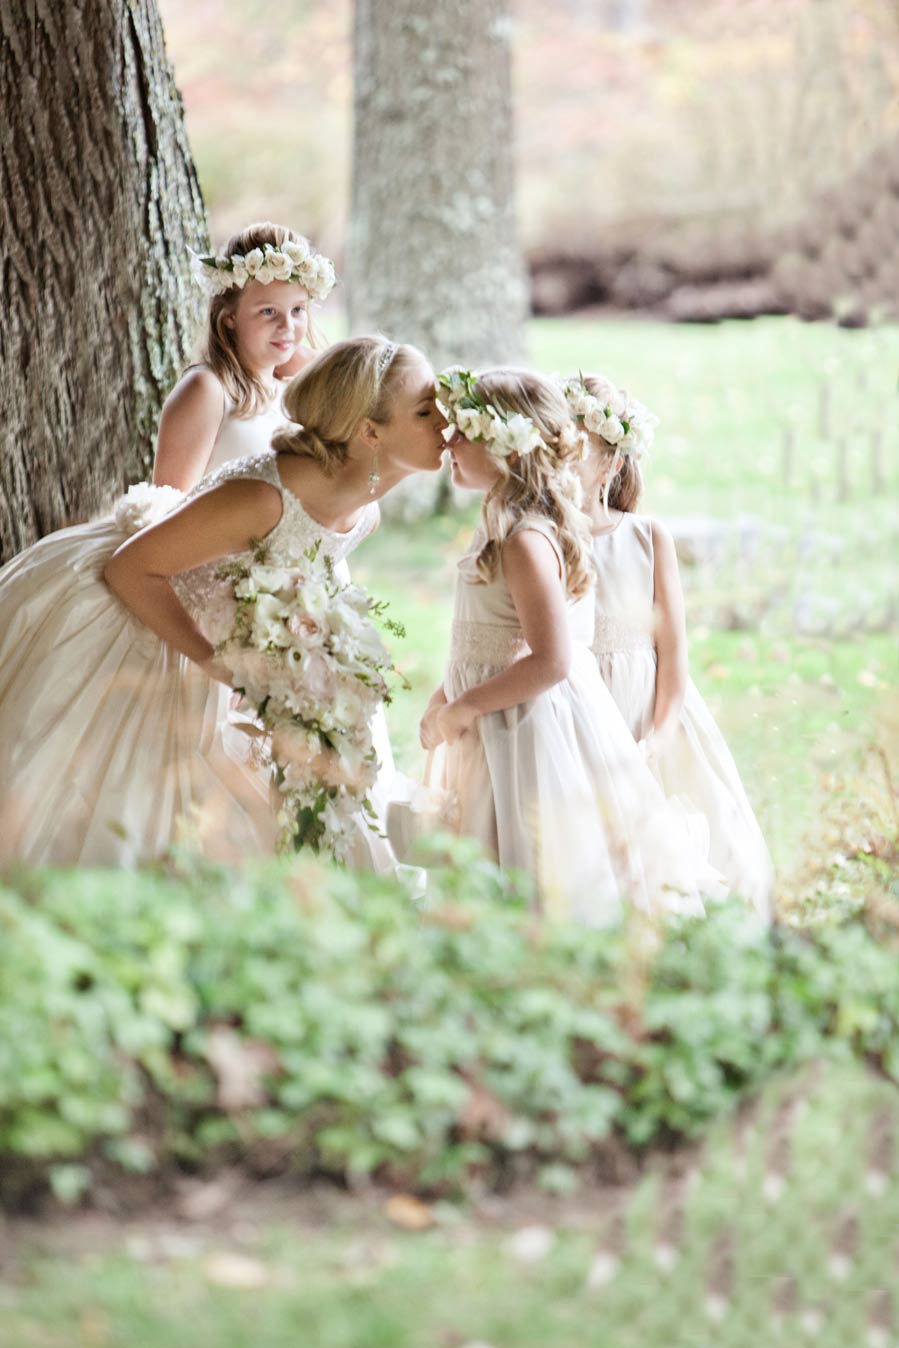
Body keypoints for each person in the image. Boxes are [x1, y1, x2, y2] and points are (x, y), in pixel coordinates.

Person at [0, 337, 446, 867]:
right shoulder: (264, 498)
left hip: (216, 613)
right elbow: (129, 569)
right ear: (370, 432)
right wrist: (227, 668)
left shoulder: (364, 509)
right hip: (135, 606)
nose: (445, 419)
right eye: (424, 410)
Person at [419, 368, 726, 924]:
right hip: (495, 720)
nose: (449, 440)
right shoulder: (500, 526)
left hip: (522, 728)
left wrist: (464, 705)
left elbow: (553, 659)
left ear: (508, 447)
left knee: (532, 861)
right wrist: (446, 692)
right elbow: (494, 638)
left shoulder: (525, 537)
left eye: (463, 429)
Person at [561, 371, 773, 917]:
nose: (562, 459)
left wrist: (658, 735)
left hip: (644, 710)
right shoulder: (541, 538)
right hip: (575, 709)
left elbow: (673, 653)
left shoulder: (646, 538)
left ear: (610, 463)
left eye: (577, 450)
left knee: (672, 839)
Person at [152, 220, 332, 491]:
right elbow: (166, 511)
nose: (287, 327)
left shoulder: (291, 391)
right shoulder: (207, 390)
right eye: (268, 311)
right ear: (230, 318)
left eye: (297, 310)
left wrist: (319, 366)